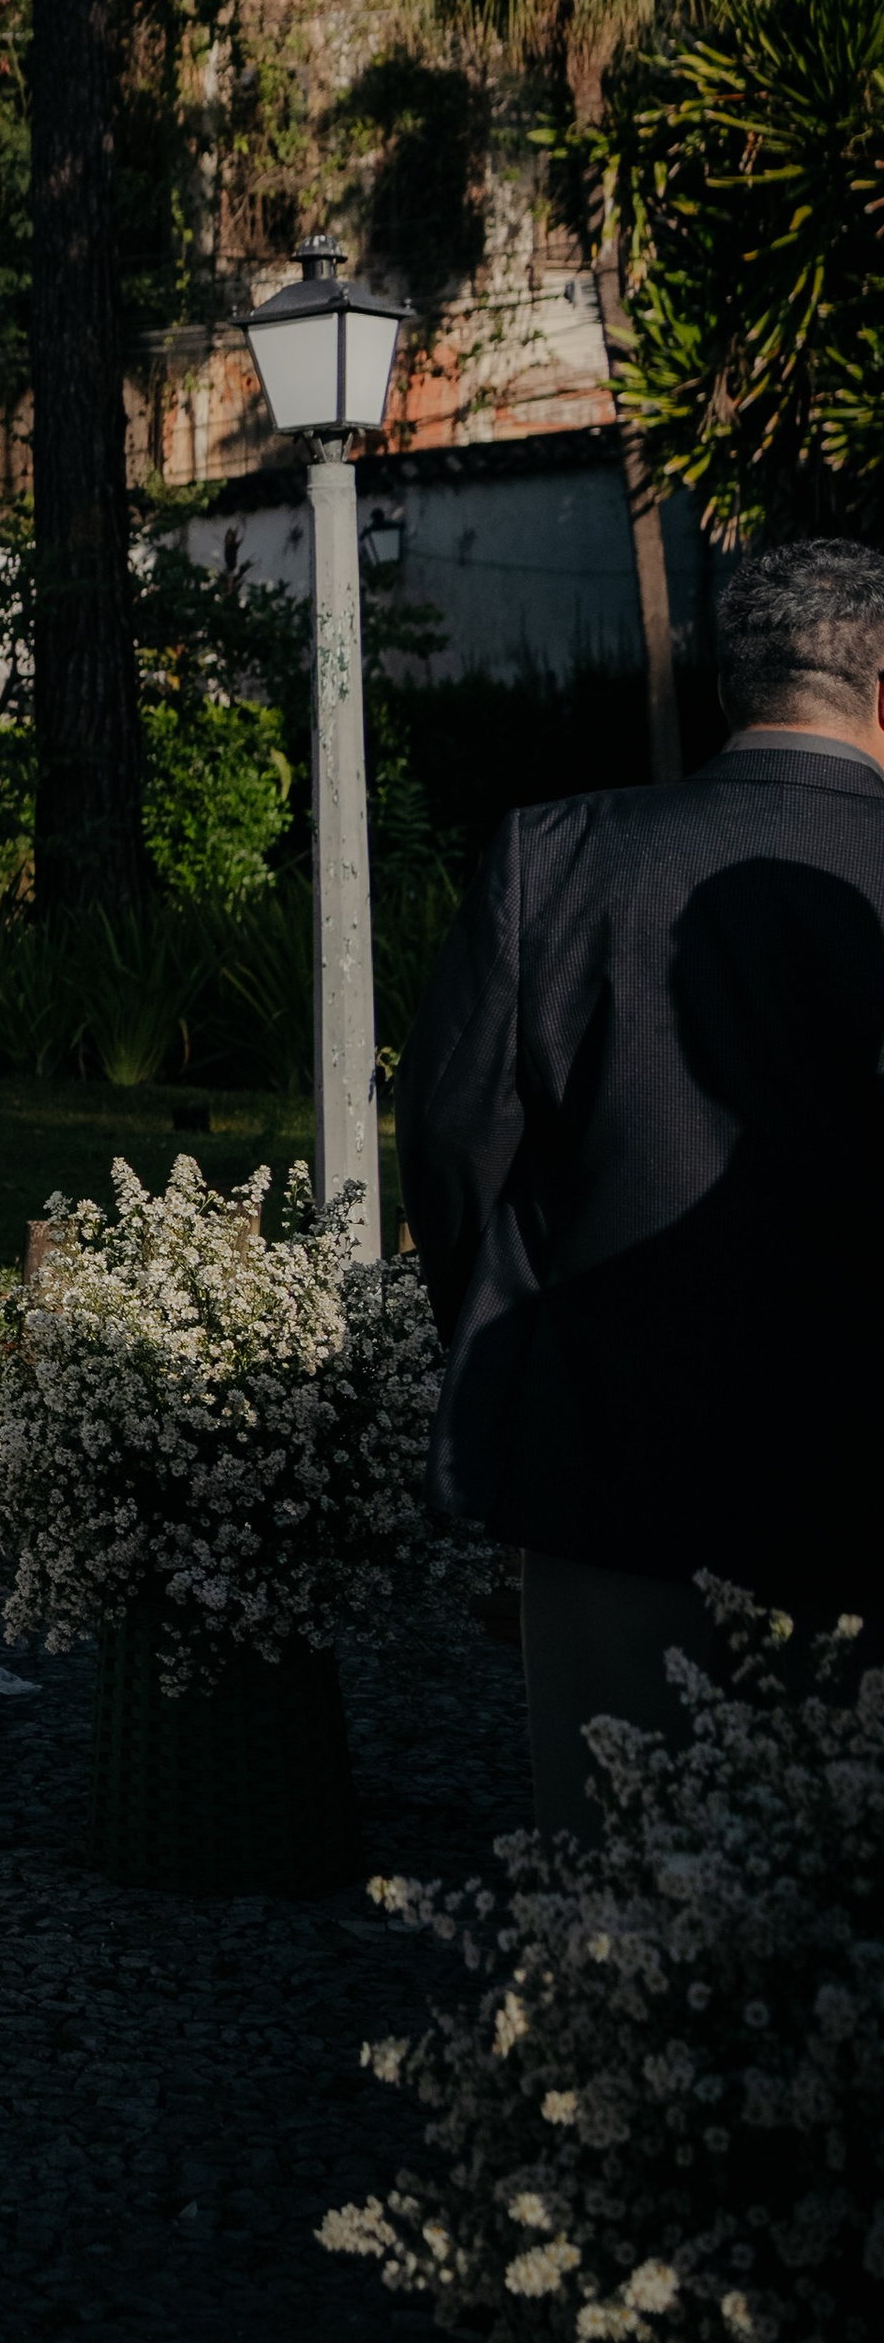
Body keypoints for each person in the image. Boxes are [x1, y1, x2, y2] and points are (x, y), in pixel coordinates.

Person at [399, 536, 884, 1840]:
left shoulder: (554, 856)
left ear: (732, 681)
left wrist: (508, 1335)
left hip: (615, 1449)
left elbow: (452, 1149)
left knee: (621, 1886)